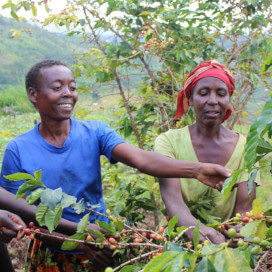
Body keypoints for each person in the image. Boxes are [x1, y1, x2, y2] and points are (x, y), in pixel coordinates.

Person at [0, 60, 231, 271]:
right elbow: (19, 212)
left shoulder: (95, 132)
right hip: (53, 251)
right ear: (33, 94)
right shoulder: (18, 150)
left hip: (103, 247)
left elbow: (142, 159)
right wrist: (76, 239)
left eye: (72, 87)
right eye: (57, 87)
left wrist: (196, 169)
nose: (68, 94)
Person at [154, 60, 260, 244]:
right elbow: (172, 200)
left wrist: (239, 231)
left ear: (228, 99)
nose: (213, 100)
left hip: (226, 245)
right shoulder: (168, 142)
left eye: (221, 93)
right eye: (203, 93)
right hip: (177, 242)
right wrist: (197, 231)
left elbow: (244, 209)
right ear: (191, 99)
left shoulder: (246, 148)